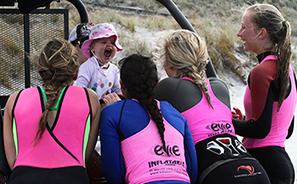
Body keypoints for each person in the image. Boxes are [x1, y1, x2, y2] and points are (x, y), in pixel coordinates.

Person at [154, 29, 271, 184]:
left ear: (168, 62)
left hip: (216, 172)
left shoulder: (169, 87)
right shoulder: (220, 86)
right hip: (255, 170)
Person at [3, 38, 101, 184]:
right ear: (76, 73)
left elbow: (12, 161)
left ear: (39, 69)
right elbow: (84, 156)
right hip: (72, 176)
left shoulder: (15, 99)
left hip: (24, 177)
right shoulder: (90, 98)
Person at [100, 54, 198, 184]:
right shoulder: (176, 114)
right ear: (156, 84)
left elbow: (114, 176)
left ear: (121, 83)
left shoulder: (112, 113)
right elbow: (192, 172)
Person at [232, 3, 297, 184]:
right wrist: (245, 119)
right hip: (281, 165)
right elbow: (286, 129)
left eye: (244, 27)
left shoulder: (262, 72)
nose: (239, 33)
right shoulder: (287, 69)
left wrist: (222, 121)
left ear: (261, 33)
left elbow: (260, 130)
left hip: (262, 166)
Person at [73, 23, 123, 100]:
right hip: (89, 105)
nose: (109, 45)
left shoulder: (114, 70)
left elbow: (119, 89)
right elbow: (80, 89)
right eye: (104, 42)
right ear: (92, 48)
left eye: (113, 43)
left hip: (104, 105)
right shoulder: (88, 67)